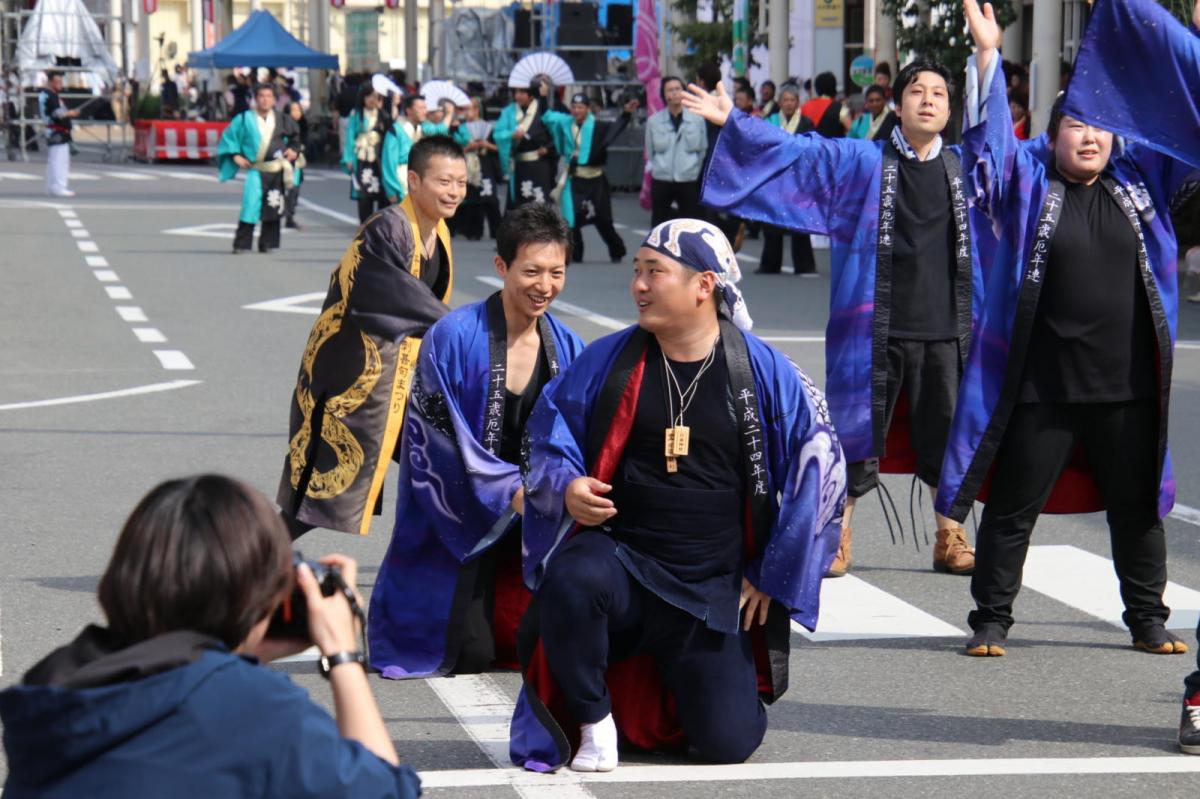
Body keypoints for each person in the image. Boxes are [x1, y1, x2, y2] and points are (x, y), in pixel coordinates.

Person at [508, 218, 845, 773]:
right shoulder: (609, 359)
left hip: (710, 588)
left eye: (654, 272)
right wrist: (566, 486)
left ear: (704, 285)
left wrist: (771, 569)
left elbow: (822, 465)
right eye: (636, 271)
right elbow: (549, 430)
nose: (638, 285)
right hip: (623, 564)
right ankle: (594, 722)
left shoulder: (761, 370)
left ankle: (688, 693)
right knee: (571, 576)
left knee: (728, 744)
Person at [937, 0, 1199, 659]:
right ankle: (991, 621)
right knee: (1011, 511)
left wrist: (1192, 41)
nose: (1090, 136)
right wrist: (989, 57)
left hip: (1128, 386)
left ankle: (1148, 619)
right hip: (1042, 387)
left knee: (1136, 510)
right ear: (1052, 133)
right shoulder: (1027, 178)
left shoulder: (1140, 179)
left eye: (1102, 126)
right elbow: (988, 148)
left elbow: (1185, 123)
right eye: (1077, 124)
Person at [687, 56, 986, 578]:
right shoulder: (862, 162)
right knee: (854, 438)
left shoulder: (964, 170)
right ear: (898, 103)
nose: (929, 99)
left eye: (939, 92)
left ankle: (949, 534)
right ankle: (838, 534)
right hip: (872, 328)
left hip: (945, 329)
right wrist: (734, 123)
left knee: (946, 435)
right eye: (917, 90)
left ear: (950, 108)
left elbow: (1018, 160)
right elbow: (798, 152)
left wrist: (988, 60)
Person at [0, 475, 419, 798]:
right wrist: (343, 656)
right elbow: (383, 789)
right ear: (256, 591)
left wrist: (245, 656)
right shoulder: (248, 703)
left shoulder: (54, 682)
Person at [369, 204, 585, 679]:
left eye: (556, 272)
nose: (544, 286)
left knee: (536, 647)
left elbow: (574, 438)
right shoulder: (453, 336)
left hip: (534, 519)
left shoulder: (568, 347)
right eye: (531, 271)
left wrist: (556, 488)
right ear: (501, 267)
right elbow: (430, 435)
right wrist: (506, 490)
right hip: (459, 517)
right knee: (465, 653)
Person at [278, 136, 467, 538]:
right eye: (444, 181)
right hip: (352, 380)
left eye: (461, 183)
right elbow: (401, 299)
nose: (454, 192)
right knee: (314, 500)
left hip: (401, 379)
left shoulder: (440, 232)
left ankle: (439, 565)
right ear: (413, 180)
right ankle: (246, 562)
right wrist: (466, 332)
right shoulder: (388, 229)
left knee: (441, 468)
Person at [217, 83, 304, 254]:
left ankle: (267, 243)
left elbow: (295, 137)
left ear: (274, 100)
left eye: (269, 96)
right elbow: (229, 138)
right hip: (256, 169)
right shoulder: (243, 119)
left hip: (276, 169)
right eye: (261, 96)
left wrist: (294, 150)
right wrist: (236, 156)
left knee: (273, 205)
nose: (265, 100)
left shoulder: (282, 119)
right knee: (250, 204)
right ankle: (241, 244)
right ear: (255, 99)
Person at [557, 92, 639, 263]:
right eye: (574, 107)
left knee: (604, 220)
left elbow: (615, 129)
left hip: (596, 180)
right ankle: (575, 253)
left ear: (587, 109)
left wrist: (626, 114)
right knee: (572, 219)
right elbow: (550, 120)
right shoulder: (566, 125)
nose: (577, 110)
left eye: (580, 107)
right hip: (575, 178)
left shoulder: (599, 126)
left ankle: (617, 249)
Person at [757, 84, 818, 277]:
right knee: (772, 220)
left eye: (792, 100)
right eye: (785, 100)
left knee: (800, 220)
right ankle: (770, 264)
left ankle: (804, 264)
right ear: (780, 103)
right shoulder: (770, 121)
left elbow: (812, 148)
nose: (789, 103)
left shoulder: (806, 123)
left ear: (797, 103)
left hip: (800, 177)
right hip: (775, 176)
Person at [494, 77, 571, 209]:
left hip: (540, 164)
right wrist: (511, 135)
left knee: (539, 203)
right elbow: (498, 134)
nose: (517, 96)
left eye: (522, 92)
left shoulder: (543, 109)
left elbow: (557, 133)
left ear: (531, 95)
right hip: (519, 165)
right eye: (516, 92)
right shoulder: (508, 112)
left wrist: (548, 148)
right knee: (520, 205)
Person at [646, 76, 707, 226]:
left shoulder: (697, 119)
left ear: (684, 92)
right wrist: (660, 167)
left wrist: (694, 171)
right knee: (659, 225)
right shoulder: (654, 121)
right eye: (670, 90)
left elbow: (702, 150)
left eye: (677, 89)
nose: (674, 93)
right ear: (664, 94)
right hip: (662, 179)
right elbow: (650, 151)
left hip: (688, 179)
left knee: (690, 224)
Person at [383, 94, 453, 205]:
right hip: (402, 179)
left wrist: (448, 114)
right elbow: (389, 163)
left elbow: (441, 131)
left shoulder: (423, 127)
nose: (424, 111)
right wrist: (391, 190)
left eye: (425, 107)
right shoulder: (396, 129)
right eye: (421, 108)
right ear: (409, 110)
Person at [451, 96, 504, 240]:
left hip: (485, 164)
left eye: (469, 108)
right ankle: (471, 230)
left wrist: (486, 145)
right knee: (470, 198)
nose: (466, 112)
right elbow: (454, 147)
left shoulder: (488, 128)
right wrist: (469, 147)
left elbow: (499, 148)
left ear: (477, 110)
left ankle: (496, 230)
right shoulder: (459, 129)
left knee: (490, 197)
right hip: (467, 165)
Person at [342, 84, 392, 222]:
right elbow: (350, 137)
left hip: (379, 159)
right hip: (362, 158)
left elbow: (390, 135)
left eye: (375, 96)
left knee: (382, 194)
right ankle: (365, 226)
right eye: (368, 96)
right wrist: (349, 158)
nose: (372, 99)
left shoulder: (384, 115)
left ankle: (381, 226)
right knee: (364, 195)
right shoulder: (356, 114)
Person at [39, 71, 78, 198]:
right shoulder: (50, 95)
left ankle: (52, 186)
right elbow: (56, 113)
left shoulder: (48, 95)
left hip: (54, 131)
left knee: (54, 160)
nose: (60, 84)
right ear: (50, 82)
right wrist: (70, 113)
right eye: (57, 81)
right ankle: (59, 186)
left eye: (61, 81)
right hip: (56, 131)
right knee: (59, 160)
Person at [800, 72, 849, 138]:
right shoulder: (840, 108)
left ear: (817, 88)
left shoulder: (804, 106)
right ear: (833, 87)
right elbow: (851, 130)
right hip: (832, 146)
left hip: (810, 146)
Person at [284, 101, 307, 230]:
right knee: (288, 189)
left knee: (295, 189)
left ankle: (290, 216)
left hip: (298, 162)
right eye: (293, 110)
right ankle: (286, 215)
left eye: (298, 110)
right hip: (286, 160)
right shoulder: (283, 126)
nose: (297, 113)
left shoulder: (303, 125)